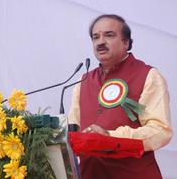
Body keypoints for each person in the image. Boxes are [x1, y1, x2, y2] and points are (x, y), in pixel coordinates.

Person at [68, 14, 173, 179]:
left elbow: (160, 131)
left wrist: (110, 136)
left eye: (109, 35)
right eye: (96, 37)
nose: (100, 42)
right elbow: (73, 131)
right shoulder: (83, 81)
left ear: (126, 42)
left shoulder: (148, 75)